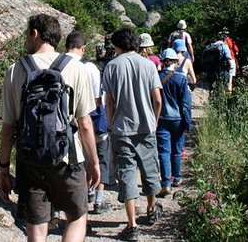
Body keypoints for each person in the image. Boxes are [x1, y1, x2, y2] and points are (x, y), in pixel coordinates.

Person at [0, 14, 100, 242]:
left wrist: (3, 168)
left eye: (27, 35)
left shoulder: (15, 70)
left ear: (35, 34)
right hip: (68, 159)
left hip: (29, 159)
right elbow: (84, 123)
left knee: (36, 226)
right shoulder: (76, 68)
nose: (26, 40)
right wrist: (93, 162)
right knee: (76, 216)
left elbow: (8, 128)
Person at [102, 28, 163, 241]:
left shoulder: (111, 66)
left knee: (127, 173)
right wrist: (154, 122)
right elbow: (157, 100)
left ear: (117, 45)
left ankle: (132, 225)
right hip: (146, 127)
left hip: (121, 129)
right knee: (149, 169)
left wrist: (110, 124)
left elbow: (108, 102)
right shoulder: (149, 65)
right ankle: (152, 208)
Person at [65, 30, 112, 214]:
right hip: (91, 125)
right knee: (98, 161)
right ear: (83, 48)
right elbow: (96, 101)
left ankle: (64, 206)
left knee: (73, 167)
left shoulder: (55, 65)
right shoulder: (91, 68)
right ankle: (92, 203)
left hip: (65, 128)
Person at [155, 49, 192, 198]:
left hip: (161, 119)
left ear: (163, 61)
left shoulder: (156, 78)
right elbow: (185, 104)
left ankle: (165, 183)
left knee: (164, 152)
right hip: (177, 120)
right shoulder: (181, 79)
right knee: (177, 150)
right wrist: (187, 122)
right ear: (175, 62)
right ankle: (177, 178)